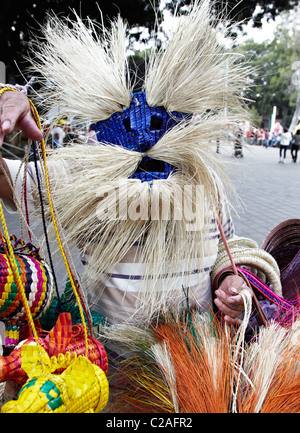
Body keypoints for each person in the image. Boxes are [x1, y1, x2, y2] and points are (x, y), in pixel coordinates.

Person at [0, 3, 281, 334]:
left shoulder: (204, 176)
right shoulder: (79, 174)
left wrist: (232, 279)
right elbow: (8, 183)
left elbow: (228, 246)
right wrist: (5, 97)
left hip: (197, 362)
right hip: (109, 364)